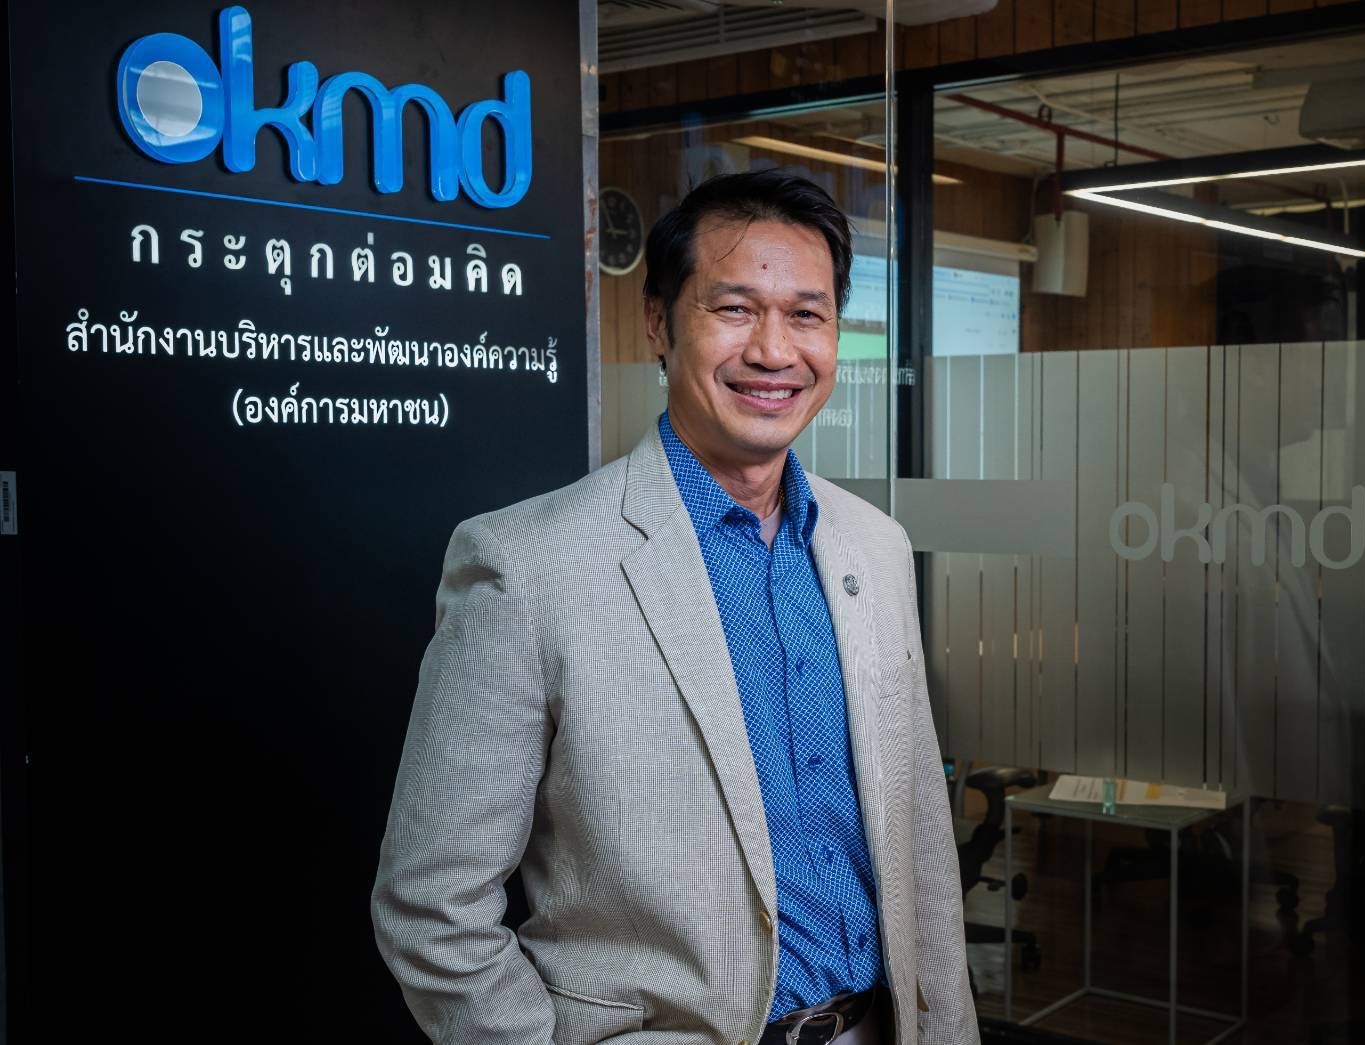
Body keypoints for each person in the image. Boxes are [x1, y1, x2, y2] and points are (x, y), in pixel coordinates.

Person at [372, 169, 979, 1045]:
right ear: (658, 322)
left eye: (806, 315)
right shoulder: (526, 565)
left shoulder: (873, 547)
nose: (774, 350)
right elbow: (430, 902)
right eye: (734, 309)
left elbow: (919, 845)